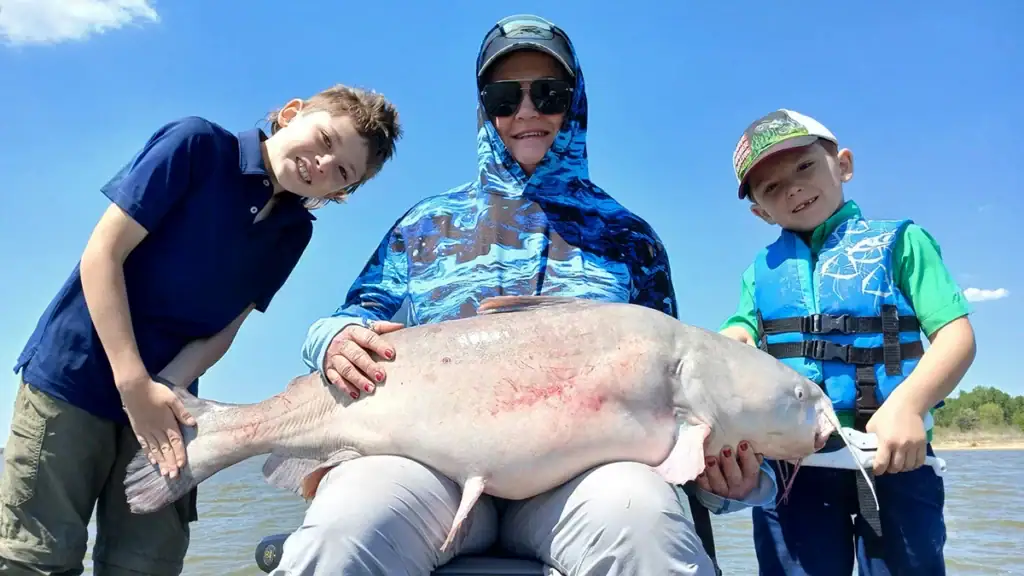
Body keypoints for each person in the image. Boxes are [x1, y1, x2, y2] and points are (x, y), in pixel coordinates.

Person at [275, 15, 778, 576]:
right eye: (504, 96)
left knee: (644, 520)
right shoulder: (425, 224)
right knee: (345, 523)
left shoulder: (630, 237)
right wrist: (333, 339)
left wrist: (728, 485)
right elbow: (355, 317)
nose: (527, 111)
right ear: (483, 108)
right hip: (429, 471)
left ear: (577, 102)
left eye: (550, 93)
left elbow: (683, 387)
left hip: (584, 481)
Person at [0, 84, 402, 575]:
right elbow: (103, 254)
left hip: (168, 403)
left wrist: (163, 391)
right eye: (323, 139)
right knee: (36, 558)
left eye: (341, 171)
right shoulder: (196, 145)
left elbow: (226, 327)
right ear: (291, 114)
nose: (322, 163)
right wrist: (133, 383)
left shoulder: (295, 232)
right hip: (74, 377)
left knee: (147, 562)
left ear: (341, 192)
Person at [719, 109, 976, 575]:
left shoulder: (904, 242)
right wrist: (721, 348)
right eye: (772, 187)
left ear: (843, 164)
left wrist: (909, 406)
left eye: (803, 166)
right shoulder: (759, 274)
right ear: (759, 211)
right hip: (793, 466)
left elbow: (956, 337)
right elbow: (738, 335)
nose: (793, 188)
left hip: (896, 455)